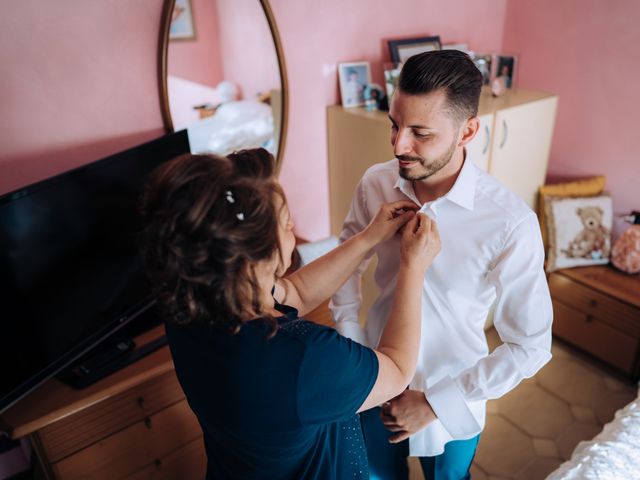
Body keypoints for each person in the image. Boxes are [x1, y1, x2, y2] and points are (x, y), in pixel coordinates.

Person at [139, 148, 441, 479]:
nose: (293, 227)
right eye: (285, 222)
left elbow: (294, 292)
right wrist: (413, 267)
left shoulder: (190, 302)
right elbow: (397, 369)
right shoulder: (304, 358)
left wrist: (368, 238)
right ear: (253, 261)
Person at [330, 50, 553, 479]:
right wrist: (355, 348)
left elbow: (531, 346)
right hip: (373, 383)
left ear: (467, 131)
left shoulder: (510, 224)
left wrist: (435, 402)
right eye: (395, 125)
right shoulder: (376, 183)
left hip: (455, 398)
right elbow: (348, 259)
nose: (398, 145)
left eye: (420, 133)